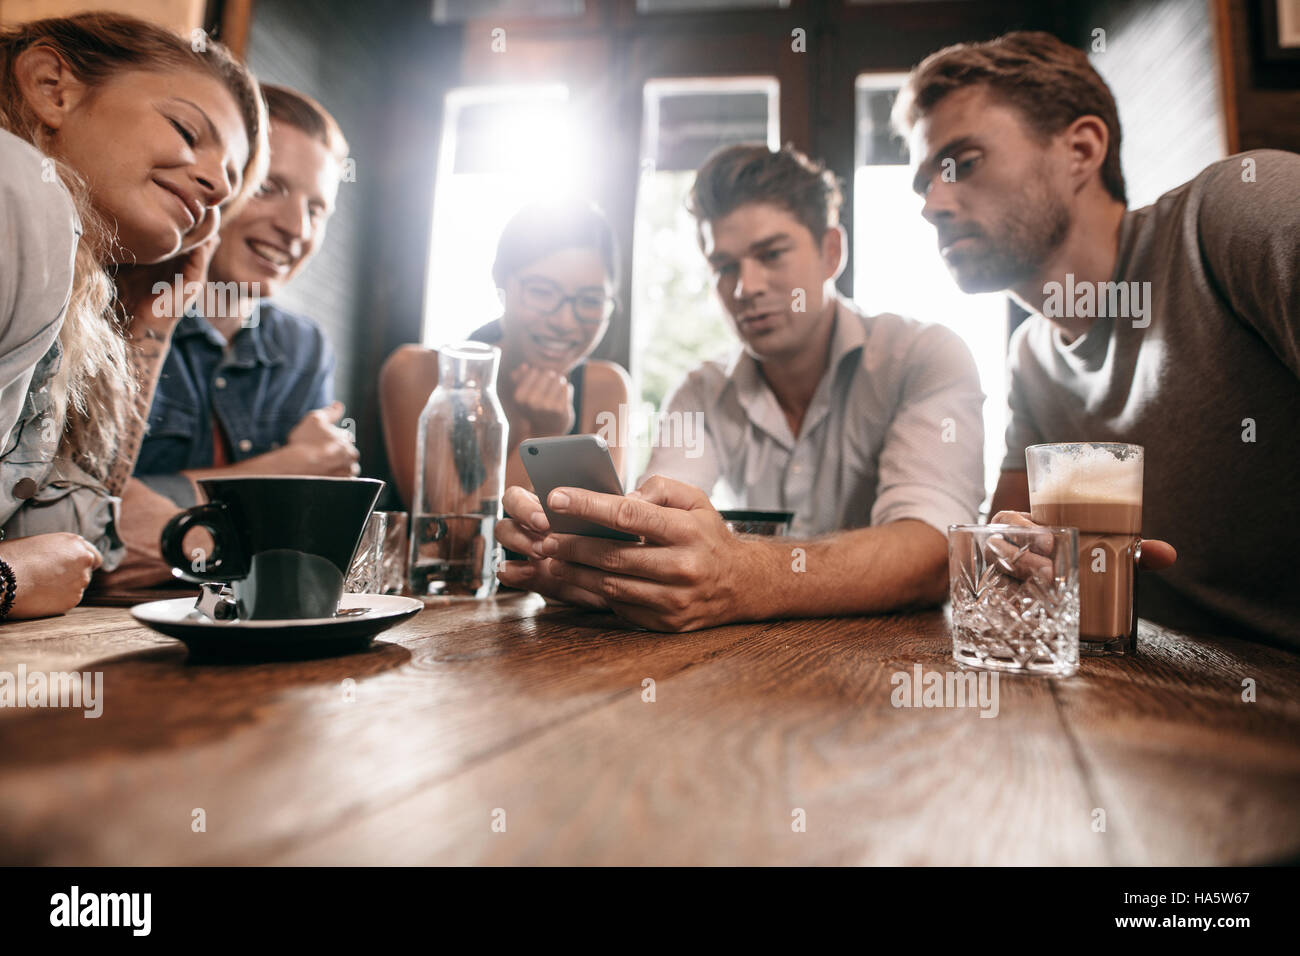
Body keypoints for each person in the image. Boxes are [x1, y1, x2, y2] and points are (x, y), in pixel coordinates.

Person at [891, 31, 1298, 646]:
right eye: (924, 183)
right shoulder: (1031, 358)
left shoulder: (1234, 212)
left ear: (1081, 149)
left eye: (961, 164)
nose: (931, 205)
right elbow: (1007, 559)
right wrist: (1015, 557)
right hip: (1173, 695)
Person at [492, 144, 986, 632]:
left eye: (771, 254)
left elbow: (935, 551)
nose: (745, 287)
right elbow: (657, 534)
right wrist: (588, 566)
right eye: (724, 266)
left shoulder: (925, 357)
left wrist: (742, 573)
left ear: (830, 251)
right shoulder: (700, 392)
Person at [0, 12, 265, 618]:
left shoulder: (57, 262)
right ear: (52, 88)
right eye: (187, 130)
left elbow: (69, 548)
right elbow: (30, 569)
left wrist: (152, 320)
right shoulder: (16, 190)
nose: (219, 189)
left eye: (230, 179)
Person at [101, 85, 355, 589]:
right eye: (268, 188)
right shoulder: (113, 313)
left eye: (316, 209)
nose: (294, 228)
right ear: (217, 182)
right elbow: (85, 511)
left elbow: (302, 537)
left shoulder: (304, 348)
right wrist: (286, 470)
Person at [380, 200, 632, 506]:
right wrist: (542, 439)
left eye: (591, 301)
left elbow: (605, 535)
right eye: (541, 292)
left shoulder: (607, 388)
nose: (565, 322)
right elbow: (449, 538)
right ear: (500, 281)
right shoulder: (418, 373)